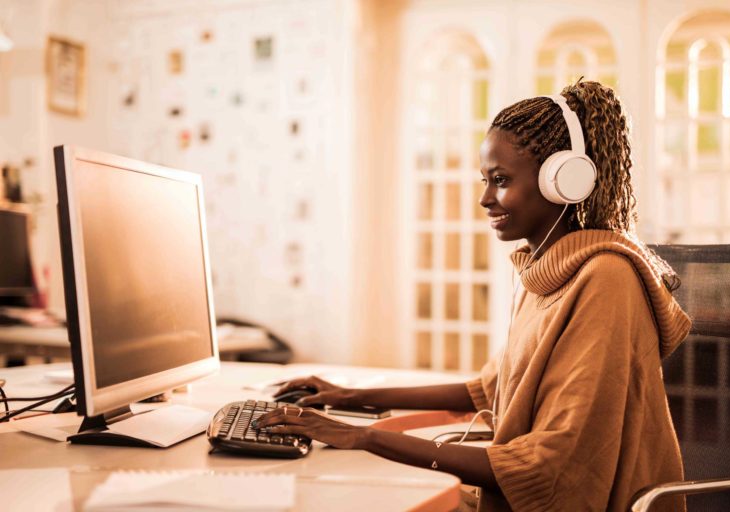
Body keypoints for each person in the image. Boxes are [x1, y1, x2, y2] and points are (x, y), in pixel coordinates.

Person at [254, 80, 691, 511]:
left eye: (500, 180)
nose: (485, 198)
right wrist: (348, 398)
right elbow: (488, 390)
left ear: (565, 181)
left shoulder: (606, 280)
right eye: (485, 179)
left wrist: (361, 437)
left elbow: (550, 467)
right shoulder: (545, 271)